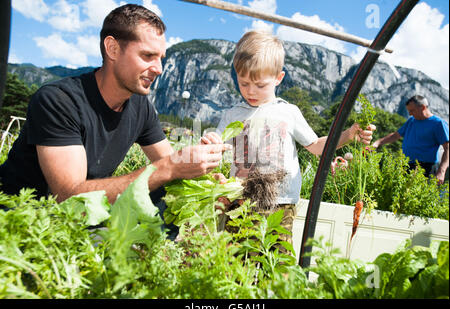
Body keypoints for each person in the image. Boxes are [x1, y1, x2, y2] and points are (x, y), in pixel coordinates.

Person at [0, 4, 230, 237]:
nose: (159, 69)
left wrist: (205, 178)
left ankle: (141, 258)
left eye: (161, 58)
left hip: (89, 212)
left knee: (166, 192)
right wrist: (169, 167)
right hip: (28, 217)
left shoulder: (141, 107)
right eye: (148, 55)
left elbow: (168, 162)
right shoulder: (59, 100)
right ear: (112, 49)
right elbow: (69, 198)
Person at [201, 30, 375, 248]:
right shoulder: (232, 115)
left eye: (260, 85)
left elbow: (318, 147)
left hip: (279, 203)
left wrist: (349, 135)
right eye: (244, 83)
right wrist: (209, 142)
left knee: (277, 258)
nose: (250, 91)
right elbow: (217, 147)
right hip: (240, 199)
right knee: (236, 257)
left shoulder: (288, 112)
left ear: (278, 78)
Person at [372, 95, 449, 184]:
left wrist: (441, 172)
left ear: (423, 107)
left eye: (412, 111)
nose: (410, 114)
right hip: (407, 166)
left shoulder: (438, 124)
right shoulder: (412, 121)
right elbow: (396, 135)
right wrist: (378, 142)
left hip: (427, 168)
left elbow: (447, 148)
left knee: (423, 196)